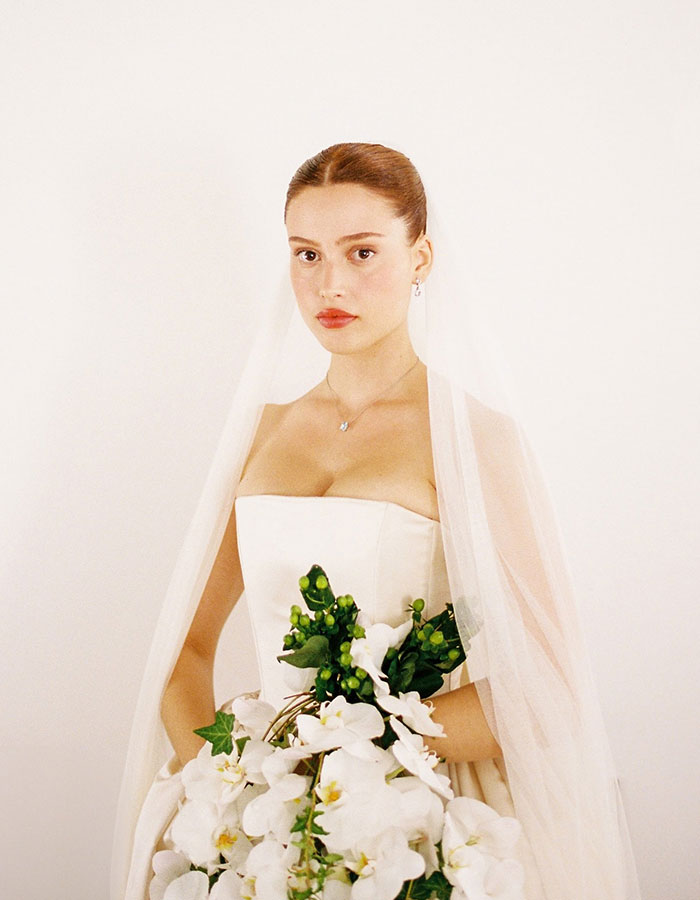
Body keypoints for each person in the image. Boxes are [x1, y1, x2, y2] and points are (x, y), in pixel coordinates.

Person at [112, 142, 641, 899]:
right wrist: (226, 781)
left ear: (421, 257)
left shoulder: (473, 437)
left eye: (362, 252)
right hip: (263, 816)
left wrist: (353, 753)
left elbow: (546, 679)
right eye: (306, 254)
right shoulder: (260, 432)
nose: (330, 283)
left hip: (420, 810)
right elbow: (186, 650)